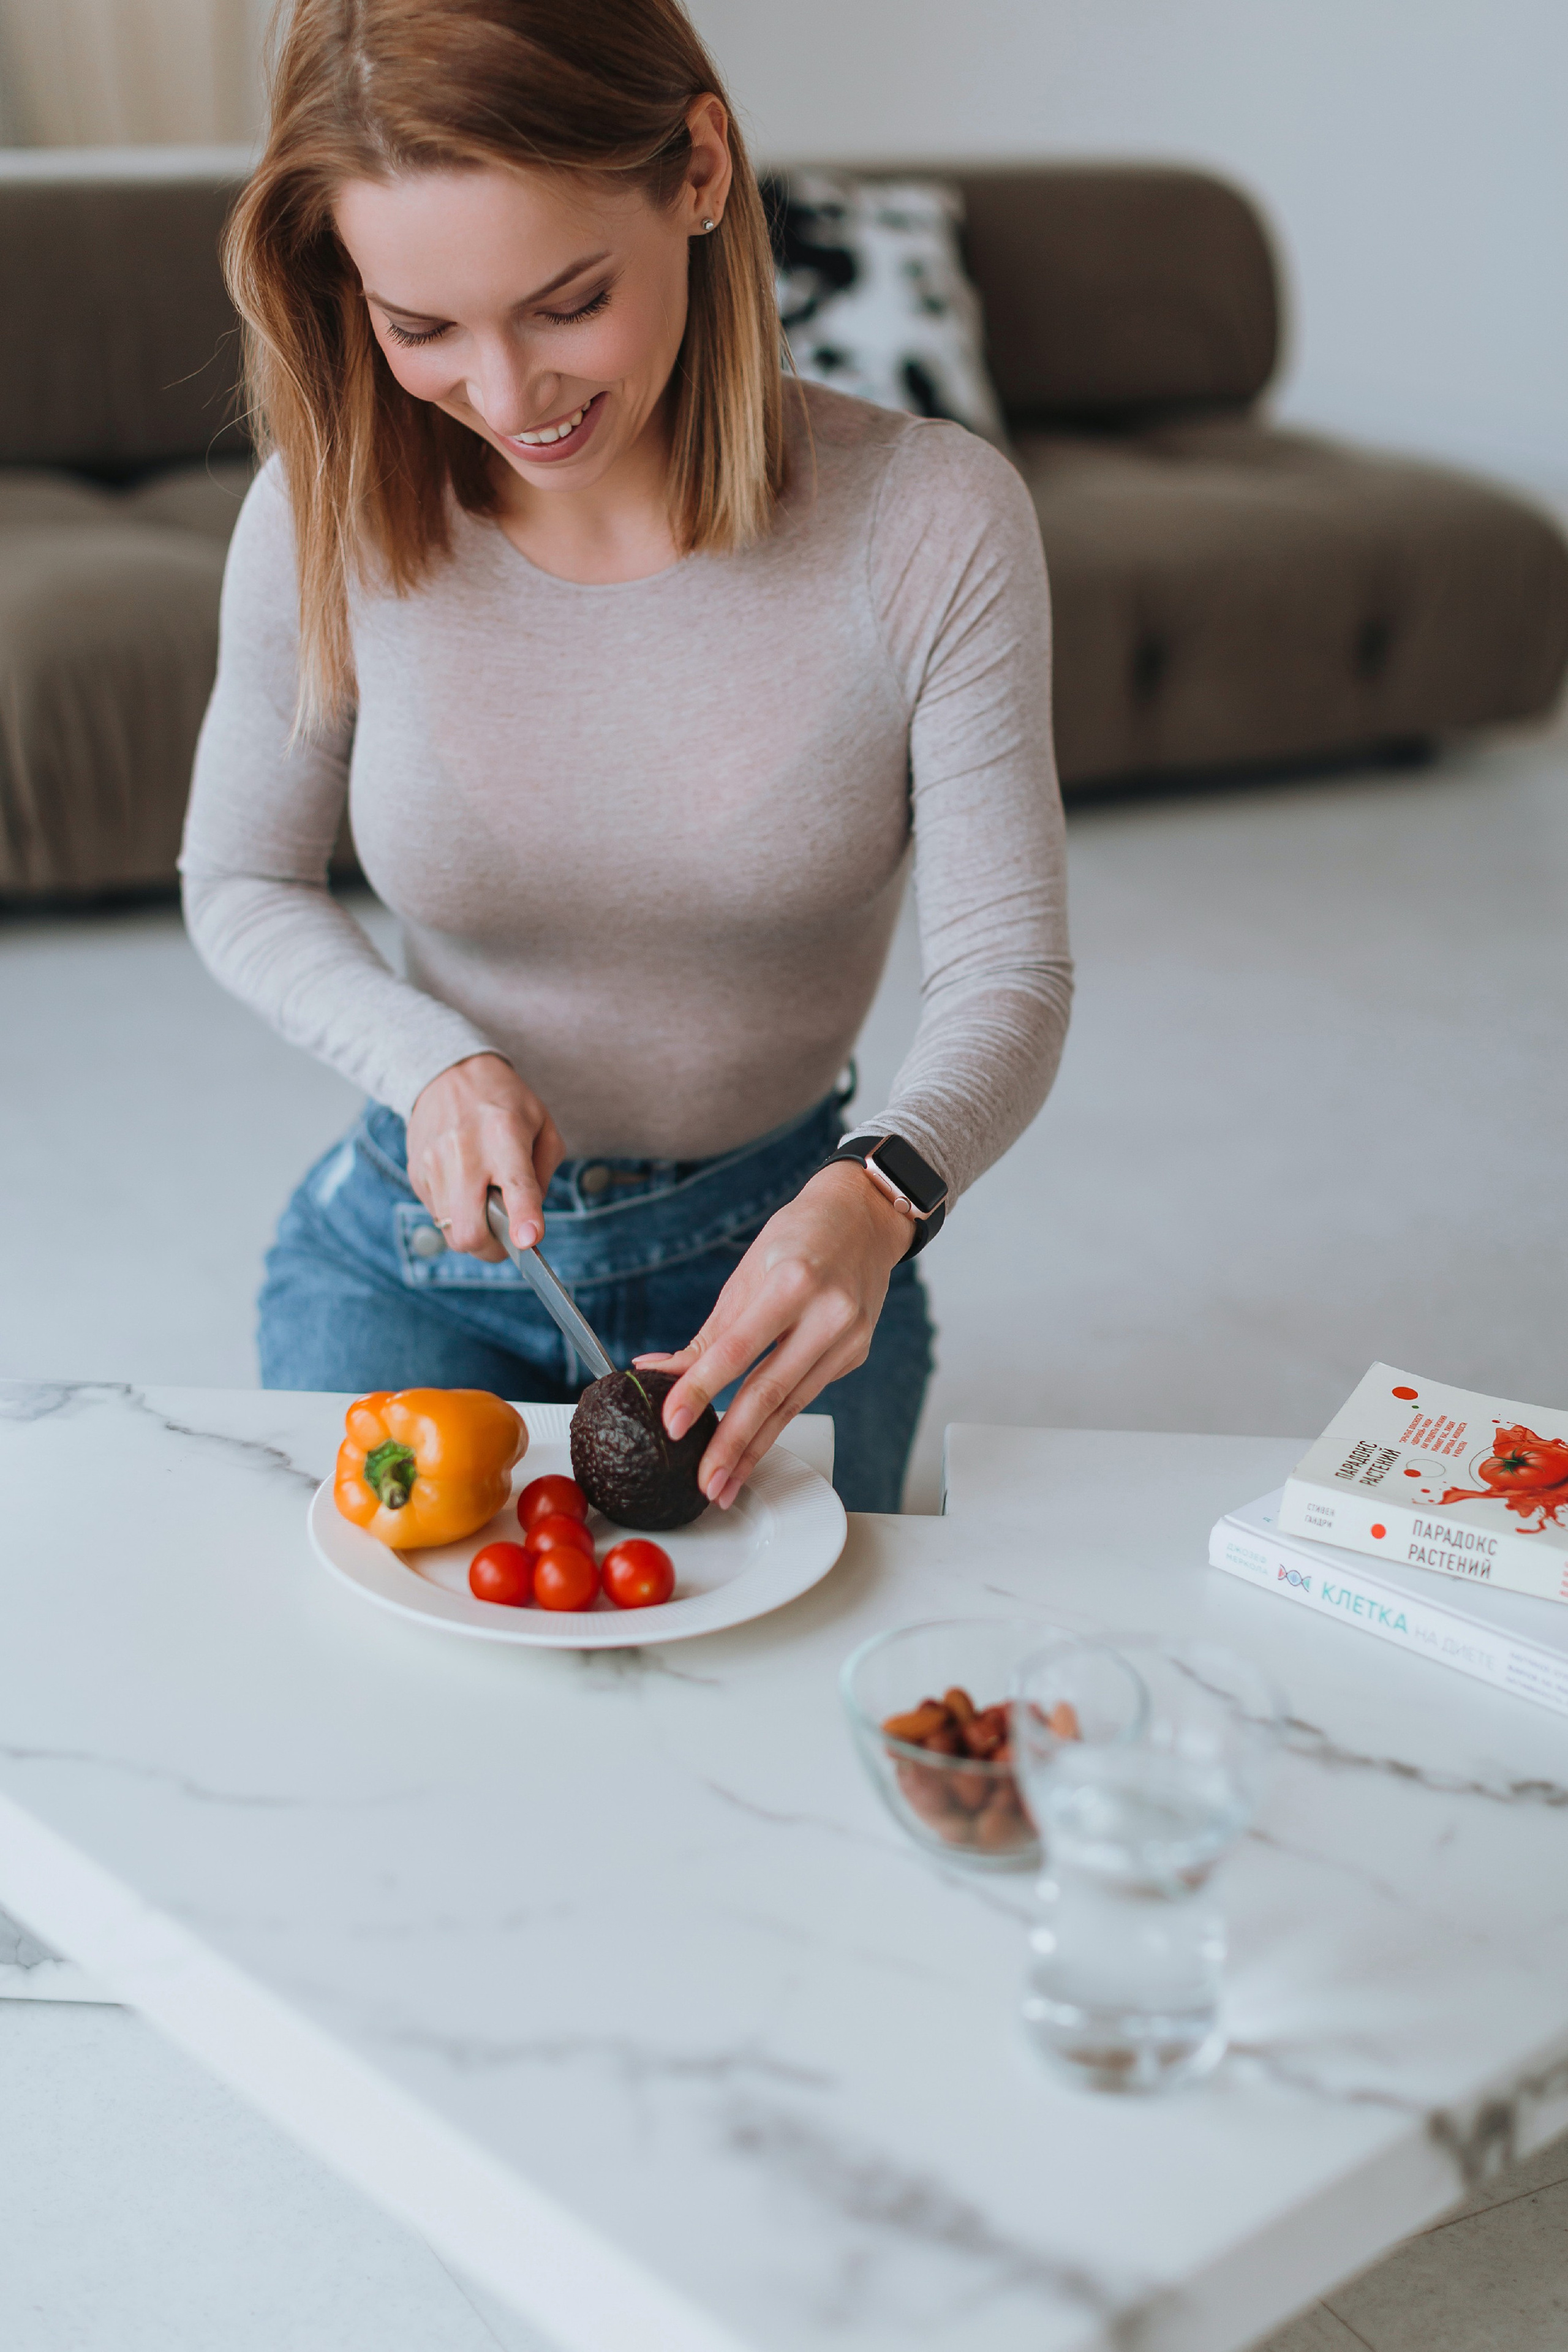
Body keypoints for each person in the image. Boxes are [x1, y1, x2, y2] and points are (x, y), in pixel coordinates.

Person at [181, 0, 1072, 1515]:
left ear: (701, 171)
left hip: (777, 1257)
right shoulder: (322, 507)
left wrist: (882, 1195)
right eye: (420, 330)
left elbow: (1009, 974)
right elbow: (242, 877)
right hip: (410, 1255)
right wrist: (429, 1062)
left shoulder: (929, 521)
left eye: (566, 300)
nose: (509, 399)